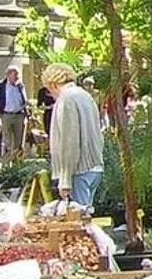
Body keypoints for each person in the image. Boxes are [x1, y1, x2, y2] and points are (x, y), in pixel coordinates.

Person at [45, 63, 106, 209]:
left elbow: (69, 142)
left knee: (77, 218)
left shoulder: (66, 99)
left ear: (53, 84)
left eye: (49, 90)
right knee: (86, 216)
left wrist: (65, 179)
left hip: (79, 170)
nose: (51, 95)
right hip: (94, 166)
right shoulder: (86, 96)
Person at [0, 67, 29, 163]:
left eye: (17, 75)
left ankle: (17, 162)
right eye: (14, 75)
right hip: (6, 115)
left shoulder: (20, 86)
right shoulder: (1, 86)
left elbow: (24, 100)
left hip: (19, 115)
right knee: (7, 141)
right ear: (8, 75)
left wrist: (25, 110)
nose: (17, 77)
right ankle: (6, 162)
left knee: (19, 141)